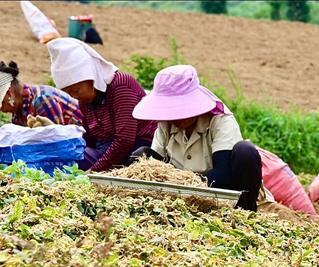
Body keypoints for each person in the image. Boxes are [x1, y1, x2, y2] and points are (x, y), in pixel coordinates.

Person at [130, 65, 262, 212]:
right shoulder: (166, 124)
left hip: (221, 195)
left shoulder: (219, 121)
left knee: (246, 151)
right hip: (175, 199)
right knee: (141, 155)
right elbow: (154, 164)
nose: (175, 118)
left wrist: (178, 180)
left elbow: (222, 175)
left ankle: (245, 212)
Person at [46, 37, 157, 172]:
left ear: (91, 78)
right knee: (61, 154)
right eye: (68, 93)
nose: (74, 96)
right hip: (105, 151)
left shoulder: (121, 86)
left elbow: (124, 140)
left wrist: (94, 172)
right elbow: (90, 138)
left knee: (68, 161)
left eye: (76, 90)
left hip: (134, 152)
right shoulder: (86, 101)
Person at [0, 61, 83, 127]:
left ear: (8, 92)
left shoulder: (43, 100)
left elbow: (56, 141)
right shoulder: (18, 111)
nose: (1, 109)